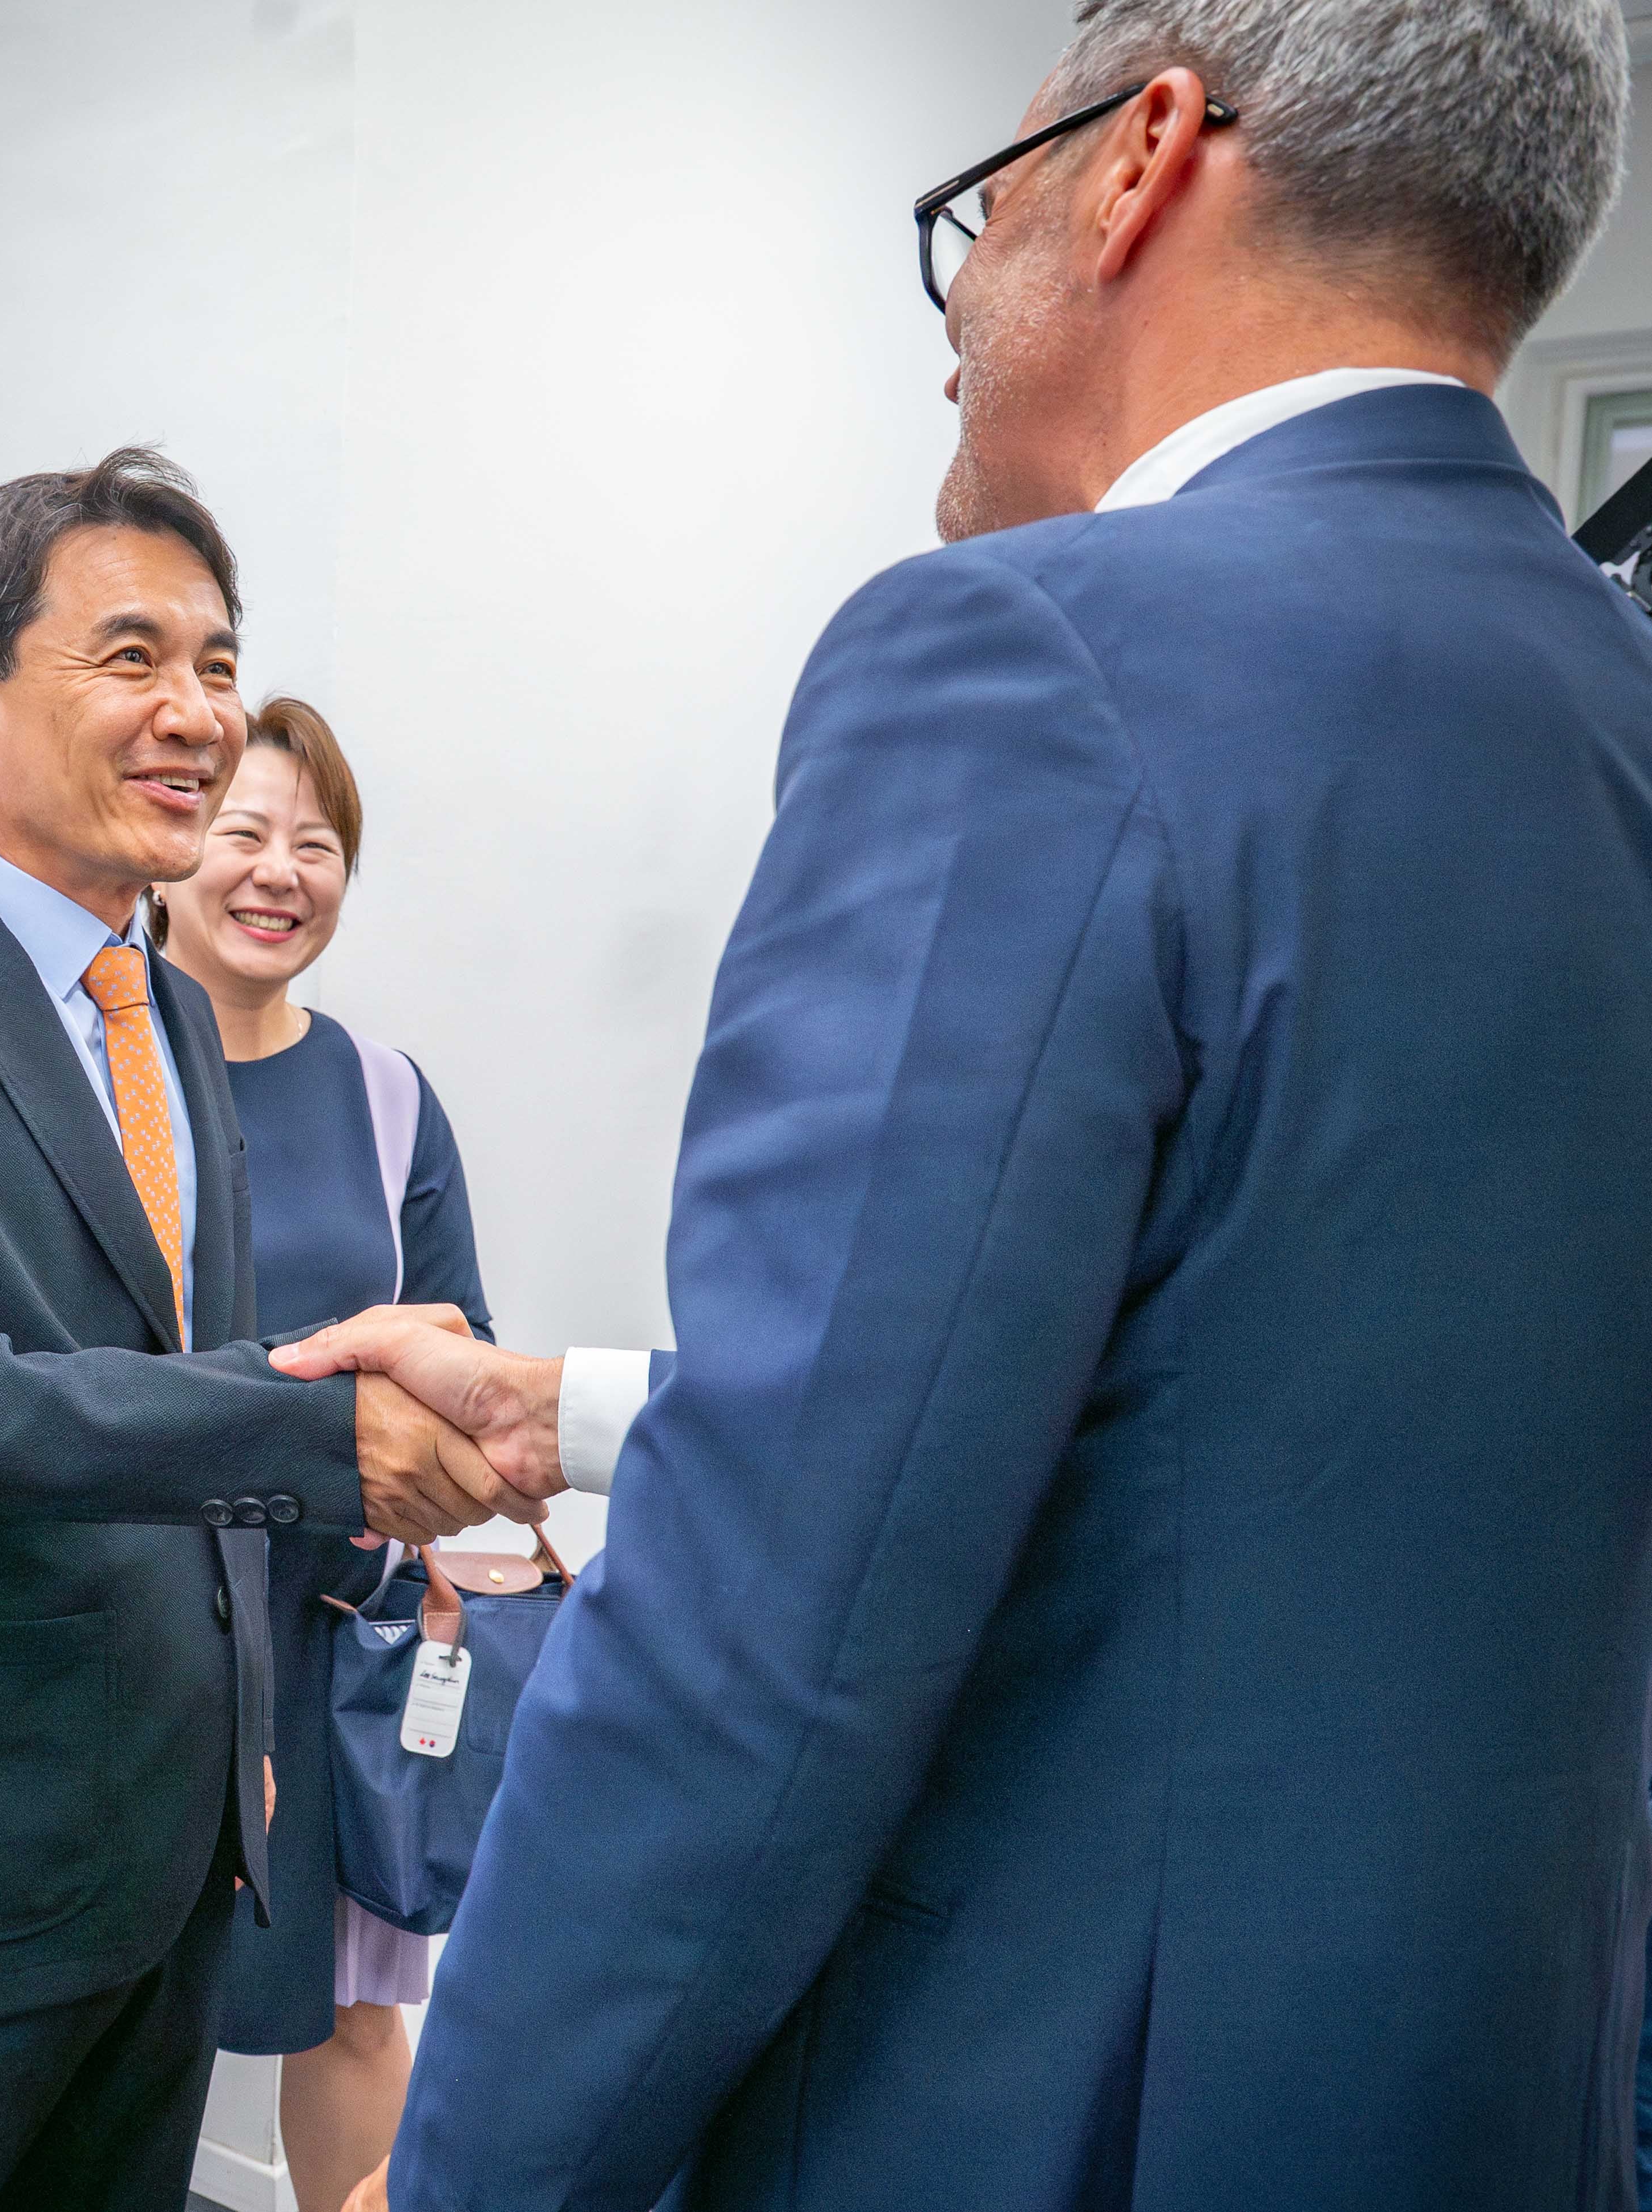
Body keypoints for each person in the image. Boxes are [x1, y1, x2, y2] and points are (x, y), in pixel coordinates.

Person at [277, 6, 1652, 2207]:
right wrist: (587, 1403)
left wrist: (471, 2170)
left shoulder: (1024, 663)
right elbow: (1299, 1380)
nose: (952, 317)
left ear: (1137, 161)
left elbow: (774, 1631)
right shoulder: (1603, 694)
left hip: (1045, 2103)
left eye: (975, 212)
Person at [0, 447, 528, 2212]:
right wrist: (323, 1431)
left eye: (220, 665)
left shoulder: (165, 1002)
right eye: (134, 656)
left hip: (170, 1851)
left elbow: (183, 1378)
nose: (196, 714)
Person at [150, 698, 491, 2212]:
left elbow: (463, 1354)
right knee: (115, 2016)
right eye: (242, 831)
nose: (278, 870)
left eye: (317, 843)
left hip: (328, 1627)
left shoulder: (385, 1091)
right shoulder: (81, 1073)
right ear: (171, 851)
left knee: (357, 2011)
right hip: (135, 1626)